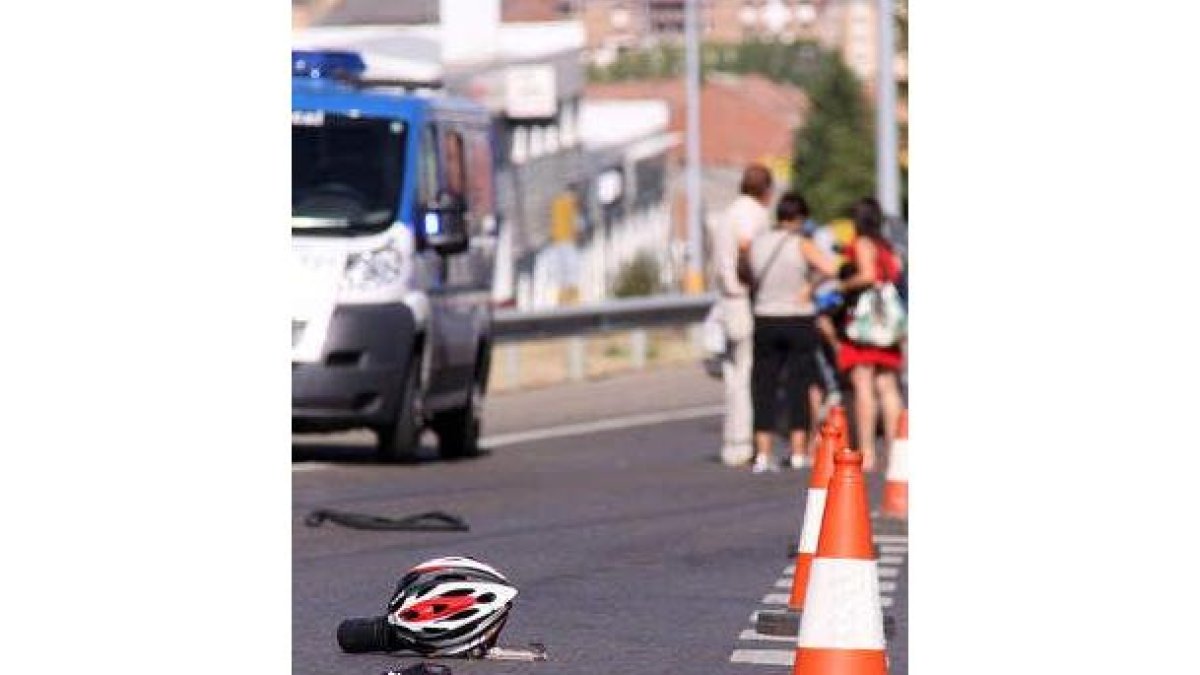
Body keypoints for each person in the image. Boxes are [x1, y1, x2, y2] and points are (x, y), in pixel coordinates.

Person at [747, 193, 839, 473]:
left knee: (764, 386)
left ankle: (762, 453)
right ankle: (798, 451)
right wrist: (809, 287)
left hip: (765, 318)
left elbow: (748, 275)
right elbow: (830, 267)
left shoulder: (758, 244)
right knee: (798, 385)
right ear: (800, 218)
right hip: (797, 318)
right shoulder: (801, 243)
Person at [834, 197, 905, 472]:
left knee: (863, 383)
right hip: (887, 324)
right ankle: (895, 448)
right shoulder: (887, 247)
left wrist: (843, 285)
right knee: (888, 385)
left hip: (865, 323)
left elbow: (866, 276)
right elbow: (894, 275)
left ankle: (868, 451)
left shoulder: (862, 244)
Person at [710, 163, 774, 466]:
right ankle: (743, 442)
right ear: (766, 190)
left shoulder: (730, 212)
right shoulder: (752, 213)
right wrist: (759, 282)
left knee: (735, 372)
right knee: (747, 372)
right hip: (742, 298)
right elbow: (748, 247)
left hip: (727, 298)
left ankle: (733, 442)